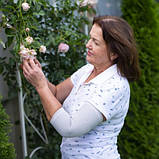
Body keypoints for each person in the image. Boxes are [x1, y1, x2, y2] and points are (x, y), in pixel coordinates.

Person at [22, 15, 140, 159]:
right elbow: (57, 93)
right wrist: (38, 75)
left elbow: (69, 127)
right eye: (90, 38)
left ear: (114, 53)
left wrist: (40, 86)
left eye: (95, 42)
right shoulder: (88, 70)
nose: (88, 44)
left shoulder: (114, 86)